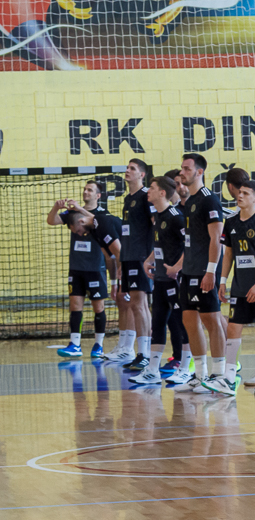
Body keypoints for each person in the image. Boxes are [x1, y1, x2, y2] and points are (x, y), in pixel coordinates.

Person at [219, 179, 255, 396]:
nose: (240, 195)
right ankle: (228, 378)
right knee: (233, 328)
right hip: (240, 286)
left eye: (245, 193)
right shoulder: (230, 222)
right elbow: (228, 254)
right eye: (240, 192)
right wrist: (223, 281)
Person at [175, 153, 228, 392]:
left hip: (204, 271)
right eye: (182, 168)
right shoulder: (190, 201)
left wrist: (211, 272)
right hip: (189, 271)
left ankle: (219, 375)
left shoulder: (209, 200)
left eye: (187, 169)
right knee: (189, 319)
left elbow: (216, 239)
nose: (182, 172)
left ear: (199, 172)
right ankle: (200, 374)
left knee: (211, 320)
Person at [47, 181, 118, 359]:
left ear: (98, 196)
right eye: (85, 189)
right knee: (75, 306)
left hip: (95, 268)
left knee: (98, 307)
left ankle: (98, 345)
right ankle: (75, 344)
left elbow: (98, 222)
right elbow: (51, 221)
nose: (86, 192)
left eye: (90, 190)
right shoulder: (72, 213)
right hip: (76, 268)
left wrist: (79, 208)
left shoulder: (102, 214)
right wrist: (56, 208)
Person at [140, 175, 188, 385]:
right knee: (157, 323)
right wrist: (148, 260)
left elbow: (190, 245)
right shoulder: (158, 216)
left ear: (162, 192)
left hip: (175, 280)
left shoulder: (176, 217)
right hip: (160, 278)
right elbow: (160, 244)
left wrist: (177, 267)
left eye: (151, 187)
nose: (147, 191)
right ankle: (152, 370)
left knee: (181, 322)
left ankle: (186, 368)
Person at [112, 158, 154, 371]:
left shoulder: (146, 196)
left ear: (142, 174)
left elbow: (156, 226)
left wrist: (151, 256)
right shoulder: (128, 199)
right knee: (134, 304)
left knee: (140, 304)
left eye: (132, 168)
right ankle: (141, 353)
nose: (127, 171)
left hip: (141, 258)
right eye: (127, 168)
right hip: (129, 257)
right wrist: (122, 261)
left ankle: (144, 354)